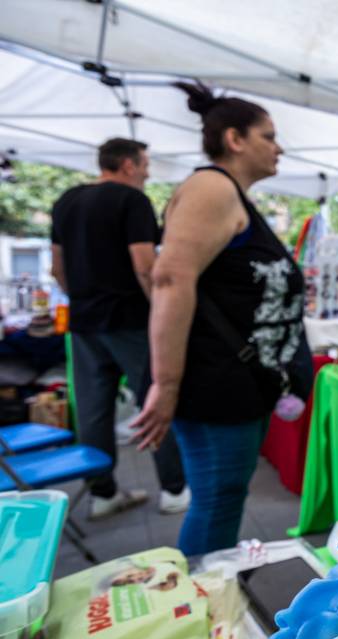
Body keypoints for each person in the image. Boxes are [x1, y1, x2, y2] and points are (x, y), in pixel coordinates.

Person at [132, 83, 312, 557]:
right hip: (212, 384)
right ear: (235, 139)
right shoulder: (212, 187)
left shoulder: (231, 196)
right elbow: (170, 279)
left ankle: (208, 596)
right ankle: (201, 606)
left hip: (233, 384)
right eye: (268, 136)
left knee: (223, 499)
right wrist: (166, 384)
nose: (279, 147)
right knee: (216, 501)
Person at [50, 138, 190, 519]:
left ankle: (103, 493)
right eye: (144, 164)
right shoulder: (132, 201)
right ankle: (175, 489)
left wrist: (82, 297)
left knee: (94, 410)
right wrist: (163, 312)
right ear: (128, 165)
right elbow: (145, 266)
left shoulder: (66, 201)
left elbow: (57, 268)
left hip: (83, 322)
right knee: (157, 399)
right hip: (129, 319)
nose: (147, 171)